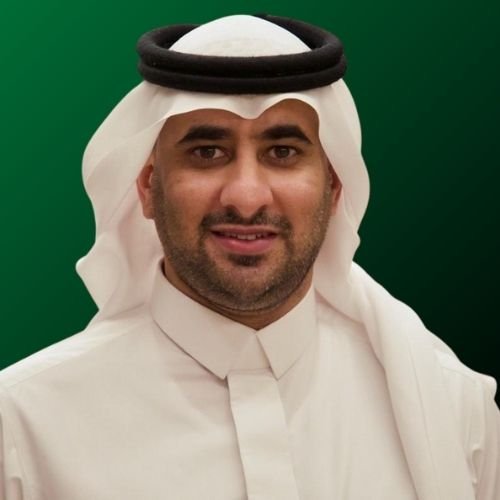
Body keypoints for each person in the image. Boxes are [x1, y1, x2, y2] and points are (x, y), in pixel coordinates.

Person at [0, 13, 498, 500]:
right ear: (149, 186)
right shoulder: (23, 426)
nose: (246, 197)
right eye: (207, 152)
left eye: (282, 152)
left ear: (334, 187)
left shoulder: (456, 412)